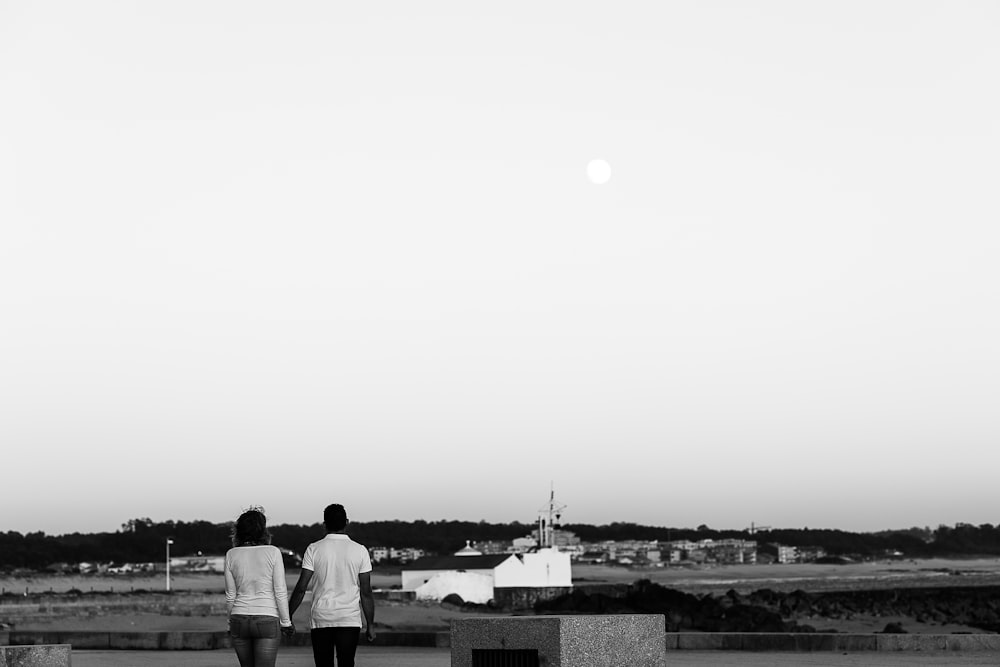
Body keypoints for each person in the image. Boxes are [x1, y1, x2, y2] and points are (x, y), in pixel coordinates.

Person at [289, 503, 376, 667]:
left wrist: (288, 616)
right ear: (347, 522)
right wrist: (370, 624)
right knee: (346, 662)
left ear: (324, 524)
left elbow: (301, 588)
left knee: (323, 663)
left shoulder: (313, 549)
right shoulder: (360, 550)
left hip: (322, 617)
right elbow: (366, 592)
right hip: (349, 618)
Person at [224, 507, 295, 667]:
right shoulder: (273, 552)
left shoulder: (231, 554)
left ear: (239, 531)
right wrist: (286, 622)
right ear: (263, 530)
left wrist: (230, 623)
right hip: (266, 617)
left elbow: (230, 595)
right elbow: (280, 591)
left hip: (239, 618)